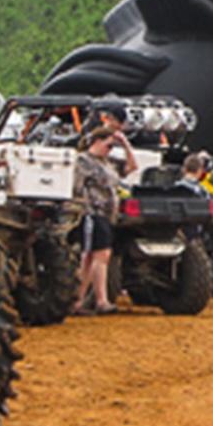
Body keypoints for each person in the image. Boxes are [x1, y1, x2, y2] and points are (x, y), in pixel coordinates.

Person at [72, 126, 137, 316]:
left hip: (105, 214)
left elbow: (132, 167)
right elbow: (76, 187)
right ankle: (100, 300)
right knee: (100, 255)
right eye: (108, 145)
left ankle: (79, 300)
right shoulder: (84, 161)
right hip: (92, 211)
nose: (109, 150)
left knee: (91, 258)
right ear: (97, 142)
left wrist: (125, 144)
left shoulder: (108, 163)